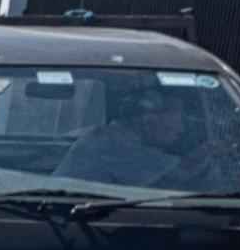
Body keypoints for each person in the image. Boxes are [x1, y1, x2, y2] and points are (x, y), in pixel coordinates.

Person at [78, 79, 211, 189]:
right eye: (177, 122)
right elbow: (181, 172)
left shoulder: (102, 137)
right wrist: (209, 154)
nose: (181, 130)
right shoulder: (120, 149)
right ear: (148, 118)